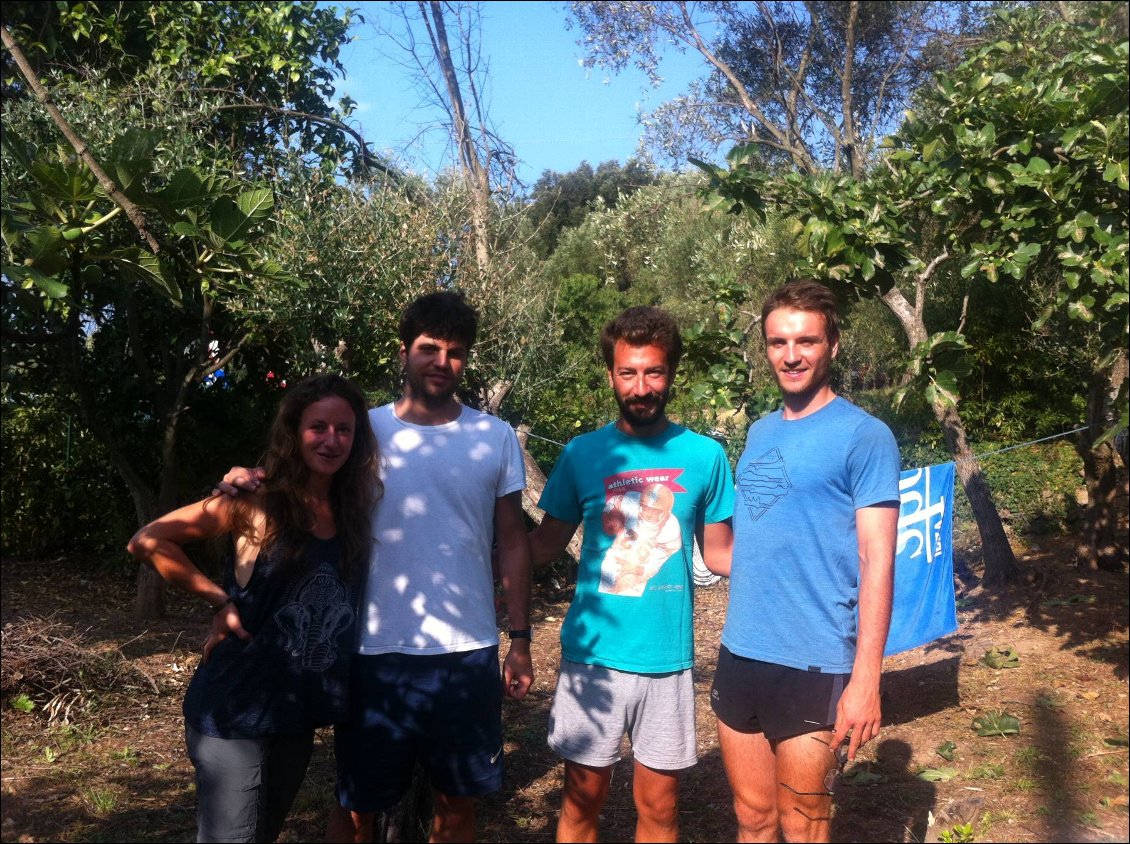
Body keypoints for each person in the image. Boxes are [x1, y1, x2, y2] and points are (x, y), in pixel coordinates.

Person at [222, 292, 533, 843]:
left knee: (457, 801)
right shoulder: (359, 432)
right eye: (428, 348)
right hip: (370, 650)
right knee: (357, 805)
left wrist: (520, 638)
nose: (442, 361)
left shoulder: (494, 437)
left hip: (466, 651)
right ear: (403, 351)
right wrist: (241, 478)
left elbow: (512, 541)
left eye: (456, 352)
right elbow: (293, 485)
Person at [128, 373, 381, 843]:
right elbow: (148, 540)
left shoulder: (354, 512)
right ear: (294, 432)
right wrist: (218, 598)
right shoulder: (256, 502)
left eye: (344, 429)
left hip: (296, 711)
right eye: (318, 427)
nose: (331, 440)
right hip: (233, 707)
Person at [528, 306, 735, 843]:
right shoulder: (581, 454)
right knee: (580, 808)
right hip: (592, 660)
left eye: (653, 372)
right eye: (628, 373)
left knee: (660, 812)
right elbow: (543, 546)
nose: (641, 387)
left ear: (671, 374)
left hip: (668, 659)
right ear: (611, 375)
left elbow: (721, 556)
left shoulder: (706, 456)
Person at [711, 279, 900, 843]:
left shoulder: (865, 437)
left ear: (833, 345)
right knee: (753, 820)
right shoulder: (758, 432)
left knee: (804, 826)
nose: (791, 355)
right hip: (740, 651)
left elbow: (877, 560)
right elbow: (757, 543)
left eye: (806, 341)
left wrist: (867, 677)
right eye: (777, 342)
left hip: (814, 661)